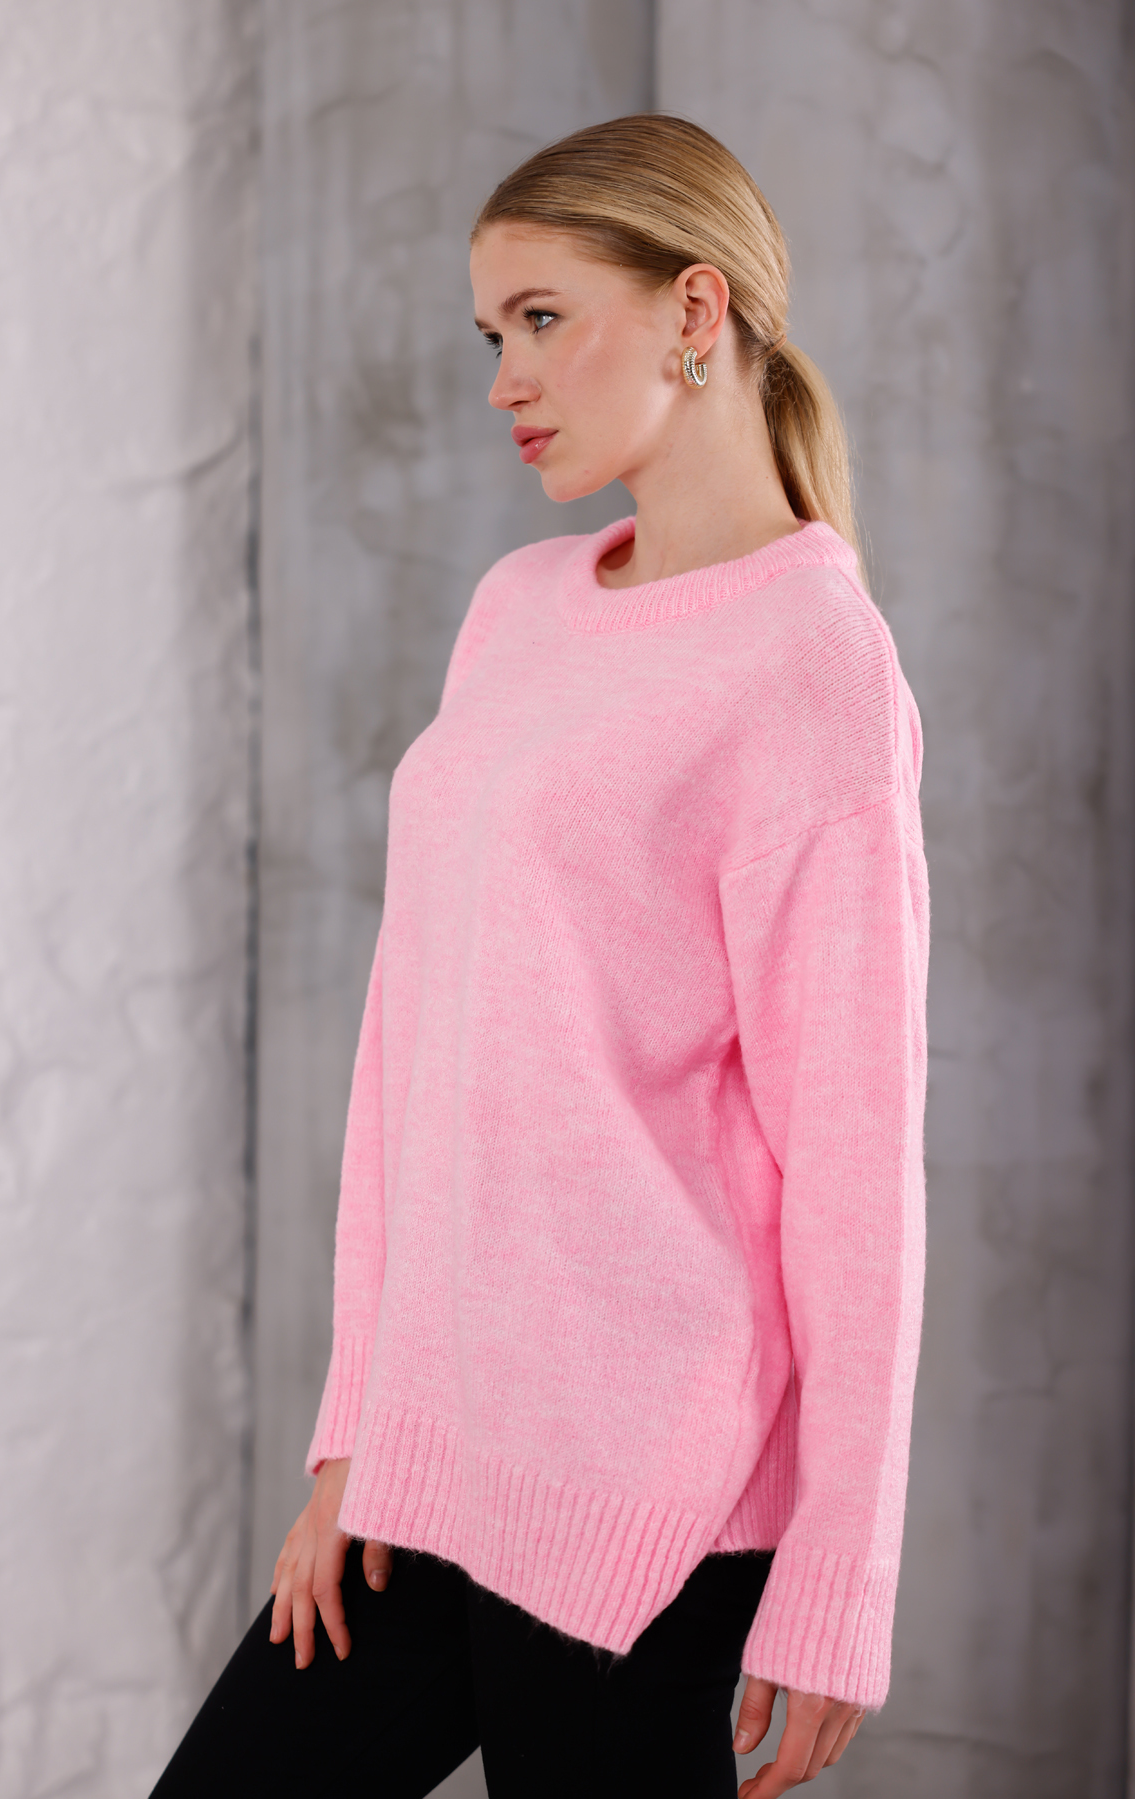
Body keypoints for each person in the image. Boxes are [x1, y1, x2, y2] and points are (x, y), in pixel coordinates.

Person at [152, 113, 928, 1800]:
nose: (506, 377)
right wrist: (360, 1436)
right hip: (439, 1461)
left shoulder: (815, 662)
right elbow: (409, 1053)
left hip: (649, 1495)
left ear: (695, 310)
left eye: (544, 318)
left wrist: (840, 1583)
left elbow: (856, 1164)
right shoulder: (520, 606)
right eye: (491, 333)